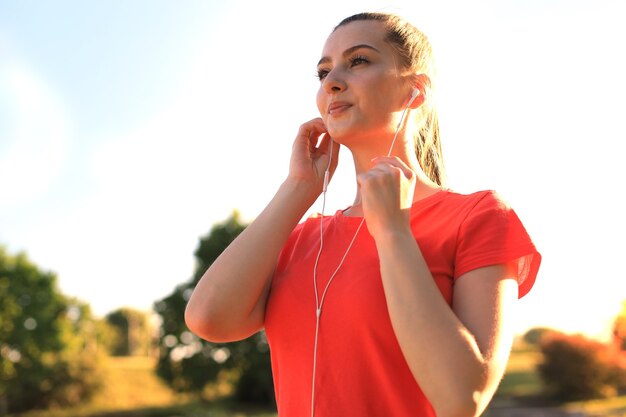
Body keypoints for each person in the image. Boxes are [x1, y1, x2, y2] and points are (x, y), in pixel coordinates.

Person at [185, 11, 541, 417]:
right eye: (322, 72)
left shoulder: (477, 216)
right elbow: (208, 319)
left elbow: (464, 399)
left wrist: (393, 232)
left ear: (415, 91)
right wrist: (299, 189)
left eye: (358, 61)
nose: (332, 81)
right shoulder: (303, 237)